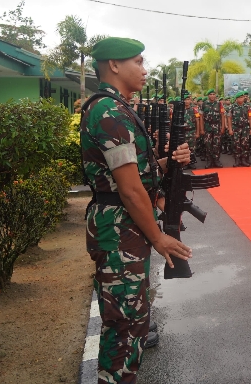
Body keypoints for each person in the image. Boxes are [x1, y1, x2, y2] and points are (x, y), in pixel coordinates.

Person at [81, 37, 192, 384]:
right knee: (124, 325)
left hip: (123, 228)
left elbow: (135, 175)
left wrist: (168, 163)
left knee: (133, 320)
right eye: (138, 62)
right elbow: (129, 189)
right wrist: (159, 237)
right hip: (119, 230)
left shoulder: (116, 108)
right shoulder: (109, 112)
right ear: (114, 65)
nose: (145, 70)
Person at [227, 91, 251, 167]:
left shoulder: (248, 107)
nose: (241, 99)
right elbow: (229, 118)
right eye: (239, 97)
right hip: (236, 128)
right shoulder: (232, 107)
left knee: (245, 144)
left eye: (242, 97)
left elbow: (250, 118)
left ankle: (244, 160)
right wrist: (230, 129)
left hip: (245, 128)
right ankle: (237, 160)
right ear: (236, 99)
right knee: (236, 144)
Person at [202, 89, 223, 169]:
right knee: (208, 144)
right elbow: (201, 117)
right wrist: (201, 129)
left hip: (217, 126)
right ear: (208, 95)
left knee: (216, 144)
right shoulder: (204, 104)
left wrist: (223, 127)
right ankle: (209, 161)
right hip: (207, 126)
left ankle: (216, 160)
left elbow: (222, 116)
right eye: (210, 94)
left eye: (213, 94)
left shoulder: (219, 104)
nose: (212, 96)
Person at [183, 94, 199, 170]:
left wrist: (197, 132)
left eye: (188, 99)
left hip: (192, 131)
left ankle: (191, 163)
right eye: (185, 100)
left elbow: (197, 121)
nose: (186, 101)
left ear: (190, 100)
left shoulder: (194, 109)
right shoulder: (180, 110)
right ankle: (185, 163)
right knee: (184, 148)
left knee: (192, 148)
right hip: (183, 132)